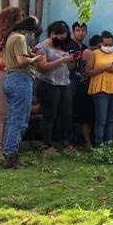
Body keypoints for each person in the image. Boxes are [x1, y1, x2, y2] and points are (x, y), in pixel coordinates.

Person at [1, 17, 43, 168]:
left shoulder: (9, 38)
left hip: (10, 79)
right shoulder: (20, 38)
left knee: (13, 118)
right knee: (19, 120)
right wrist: (36, 58)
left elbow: (3, 62)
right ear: (29, 29)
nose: (33, 35)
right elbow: (21, 60)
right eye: (33, 32)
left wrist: (29, 56)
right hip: (21, 79)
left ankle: (8, 153)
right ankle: (11, 157)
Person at [0, 7, 25, 155]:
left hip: (7, 76)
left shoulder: (5, 35)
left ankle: (3, 148)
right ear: (10, 20)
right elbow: (1, 60)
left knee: (6, 116)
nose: (20, 23)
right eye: (18, 20)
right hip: (0, 76)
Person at [34, 22, 75, 150]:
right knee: (49, 114)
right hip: (48, 84)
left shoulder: (64, 47)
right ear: (52, 34)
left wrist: (71, 61)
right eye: (60, 38)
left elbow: (70, 67)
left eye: (64, 38)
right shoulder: (42, 47)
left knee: (66, 114)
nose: (62, 40)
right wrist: (61, 60)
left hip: (64, 83)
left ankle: (65, 141)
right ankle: (46, 144)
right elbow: (41, 67)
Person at [86, 31, 113, 146]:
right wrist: (104, 68)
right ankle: (99, 144)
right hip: (100, 89)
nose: (108, 47)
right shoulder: (94, 54)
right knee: (101, 119)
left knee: (111, 119)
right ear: (100, 44)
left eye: (110, 45)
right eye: (105, 45)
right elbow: (87, 72)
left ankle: (109, 143)